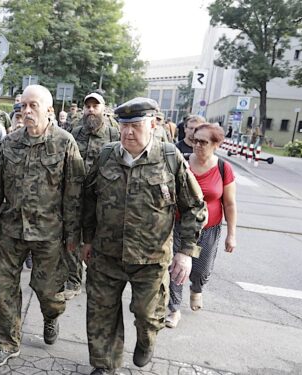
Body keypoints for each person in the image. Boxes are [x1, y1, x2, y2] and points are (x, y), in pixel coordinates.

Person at [81, 97, 206, 375]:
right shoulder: (106, 156)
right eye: (123, 126)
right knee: (101, 313)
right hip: (106, 254)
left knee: (147, 315)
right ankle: (104, 364)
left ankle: (147, 340)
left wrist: (186, 252)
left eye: (135, 126)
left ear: (153, 124)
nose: (128, 132)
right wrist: (87, 239)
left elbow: (194, 207)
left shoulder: (170, 159)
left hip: (151, 260)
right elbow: (89, 200)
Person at [0, 85, 84, 367]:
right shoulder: (10, 142)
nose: (26, 111)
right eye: (23, 105)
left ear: (49, 111)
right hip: (12, 229)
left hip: (50, 232)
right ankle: (6, 343)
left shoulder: (64, 143)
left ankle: (52, 315)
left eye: (33, 106)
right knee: (4, 287)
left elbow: (74, 193)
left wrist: (74, 238)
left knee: (48, 291)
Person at [166, 123, 237, 328]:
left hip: (209, 228)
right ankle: (174, 309)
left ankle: (196, 288)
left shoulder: (224, 168)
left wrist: (231, 234)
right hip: (180, 225)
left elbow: (230, 204)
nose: (197, 145)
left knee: (201, 270)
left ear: (216, 144)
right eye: (195, 140)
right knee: (176, 268)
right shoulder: (183, 163)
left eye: (203, 142)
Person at [65, 92, 120, 300]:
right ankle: (73, 279)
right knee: (73, 236)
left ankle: (95, 276)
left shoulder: (114, 135)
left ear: (103, 110)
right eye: (87, 106)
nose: (90, 110)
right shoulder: (76, 132)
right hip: (76, 194)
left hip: (101, 197)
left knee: (97, 239)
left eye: (95, 106)